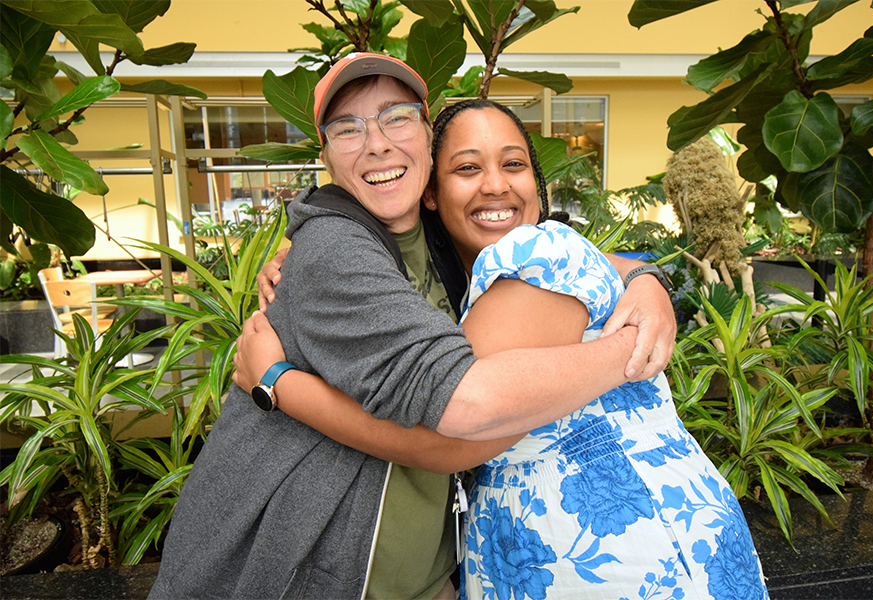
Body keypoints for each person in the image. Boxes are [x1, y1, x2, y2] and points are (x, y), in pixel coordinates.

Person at [149, 53, 673, 600]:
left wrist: (646, 279)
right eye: (347, 128)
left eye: (396, 117)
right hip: (307, 570)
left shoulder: (437, 233)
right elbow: (467, 412)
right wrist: (629, 352)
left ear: (425, 140)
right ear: (326, 156)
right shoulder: (333, 249)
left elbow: (562, 254)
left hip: (423, 574)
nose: (376, 143)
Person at [239, 99, 769, 599]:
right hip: (542, 547)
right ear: (430, 190)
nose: (495, 185)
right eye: (467, 169)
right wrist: (308, 253)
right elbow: (619, 263)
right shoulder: (463, 283)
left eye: (513, 164)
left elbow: (457, 435)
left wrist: (278, 383)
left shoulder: (538, 251)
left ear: (536, 182)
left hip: (628, 549)